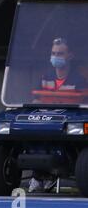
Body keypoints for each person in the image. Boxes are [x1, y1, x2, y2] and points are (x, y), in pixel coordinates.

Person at [29, 37, 86, 192]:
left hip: (67, 122)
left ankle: (52, 172)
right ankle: (39, 174)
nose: (56, 57)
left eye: (60, 53)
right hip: (45, 120)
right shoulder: (45, 77)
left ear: (70, 56)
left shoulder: (79, 80)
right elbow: (35, 98)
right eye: (53, 53)